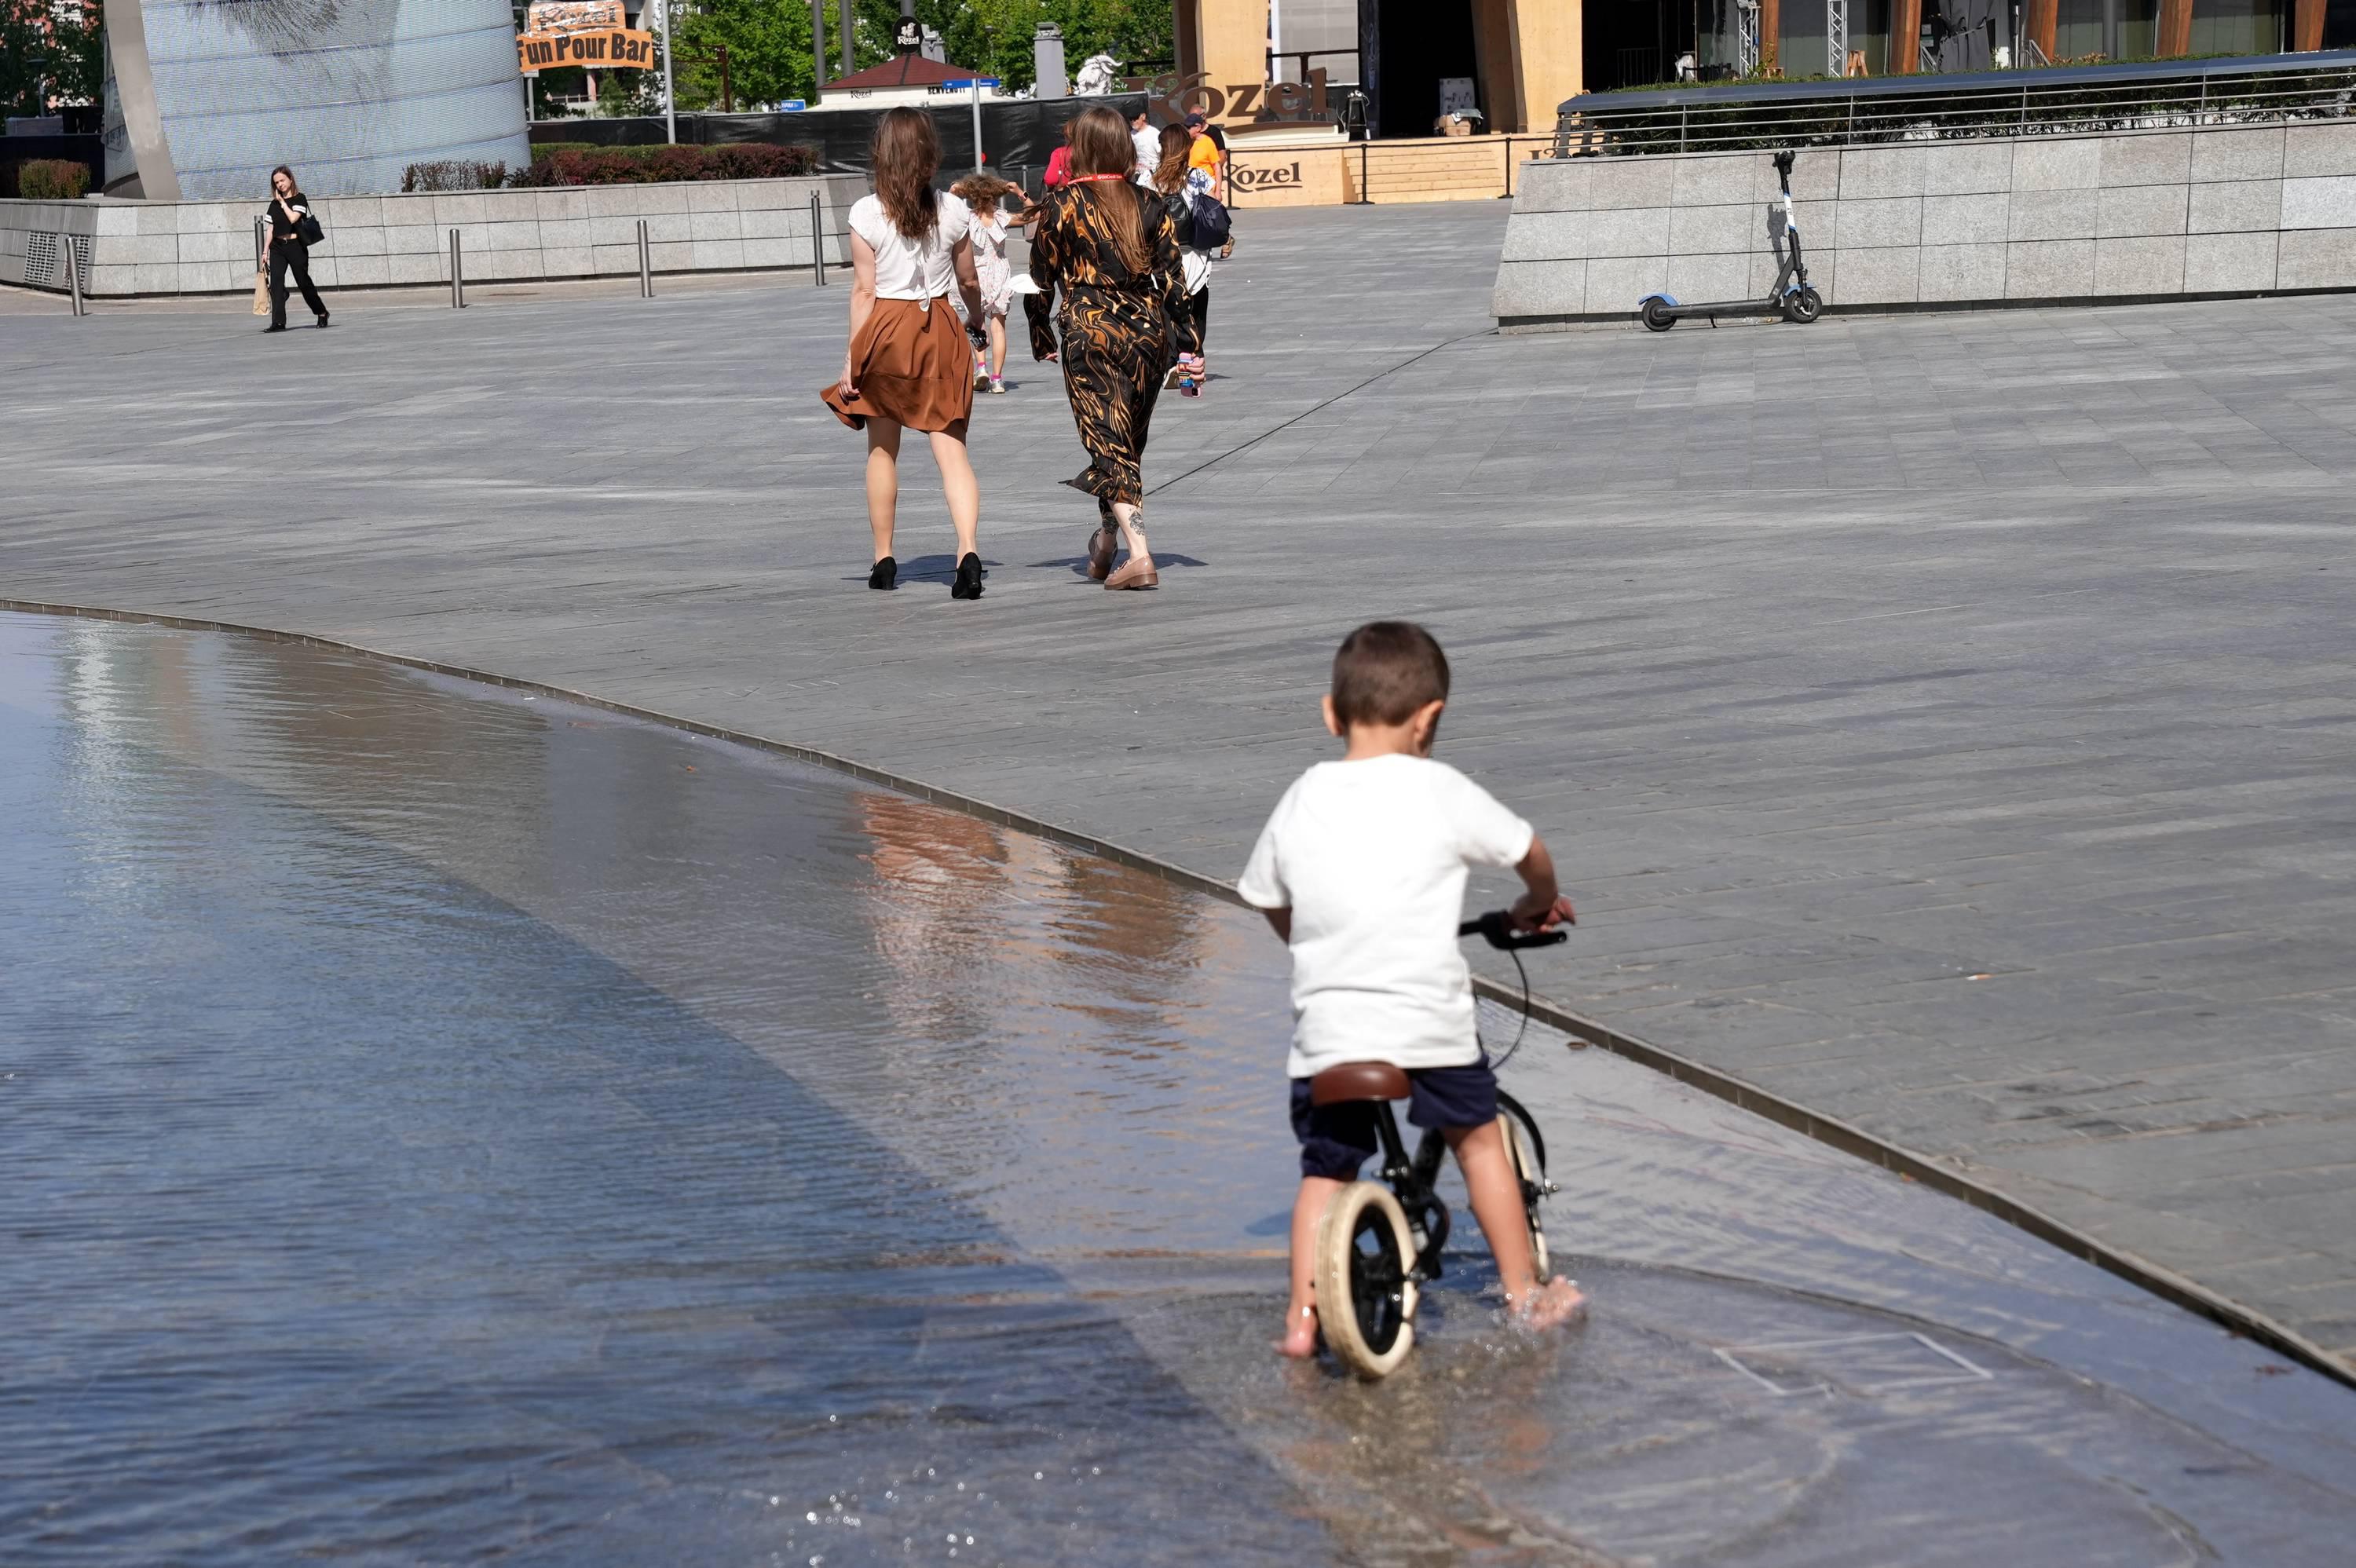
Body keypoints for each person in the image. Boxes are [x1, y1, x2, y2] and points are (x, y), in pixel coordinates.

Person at [1238, 622, 1588, 1358]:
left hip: (1329, 1036)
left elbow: (1266, 895)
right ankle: (1525, 1297)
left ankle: (1300, 1327)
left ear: (1330, 715)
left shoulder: (1303, 796)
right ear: (1431, 719)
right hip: (1428, 1023)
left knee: (1324, 1171)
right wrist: (1534, 903)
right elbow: (1531, 852)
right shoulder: (1440, 788)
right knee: (1479, 1139)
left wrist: (1303, 938)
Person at [1025, 103, 1202, 593]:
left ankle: (1140, 556)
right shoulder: (1149, 204)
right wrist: (1190, 346)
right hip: (1148, 335)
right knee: (1125, 444)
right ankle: (1107, 542)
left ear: (1080, 149)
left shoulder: (1061, 206)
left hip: (1091, 332)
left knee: (1108, 442)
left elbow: (1040, 282)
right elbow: (1173, 280)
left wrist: (1040, 335)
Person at [821, 108, 990, 601]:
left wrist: (853, 357)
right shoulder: (954, 210)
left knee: (881, 448)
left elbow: (863, 291)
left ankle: (884, 558)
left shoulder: (865, 213)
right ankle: (967, 553)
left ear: (883, 153)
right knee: (952, 449)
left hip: (887, 329)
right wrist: (976, 321)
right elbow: (969, 280)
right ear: (929, 154)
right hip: (939, 326)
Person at [1149, 123, 1216, 393]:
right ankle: (1193, 363)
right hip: (1195, 253)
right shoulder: (1198, 176)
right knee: (1197, 309)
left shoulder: (1150, 179)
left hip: (1162, 255)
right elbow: (1213, 210)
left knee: (1167, 310)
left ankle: (1174, 362)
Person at [949, 174, 1026, 394]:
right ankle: (998, 379)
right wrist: (1020, 192)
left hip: (975, 271)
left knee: (976, 321)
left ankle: (981, 367)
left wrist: (955, 191)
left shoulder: (966, 218)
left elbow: (943, 212)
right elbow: (1033, 215)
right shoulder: (1002, 217)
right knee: (998, 326)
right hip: (999, 272)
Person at [262, 166, 327, 332]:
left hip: (296, 246)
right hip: (277, 247)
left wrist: (283, 202)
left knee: (303, 282)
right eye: (276, 183)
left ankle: (321, 312)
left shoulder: (300, 199)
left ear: (290, 179)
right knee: (276, 283)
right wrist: (265, 251)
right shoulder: (273, 205)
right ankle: (278, 322)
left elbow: (293, 219)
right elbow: (270, 228)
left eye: (282, 180)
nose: (280, 185)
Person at [1129, 105, 1160, 184]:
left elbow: (1162, 154)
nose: (1133, 121)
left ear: (1143, 116)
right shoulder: (1130, 135)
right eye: (1130, 119)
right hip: (1137, 177)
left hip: (1154, 175)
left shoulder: (1154, 133)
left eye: (1135, 118)